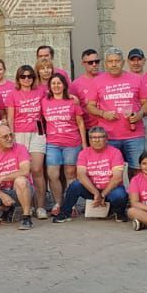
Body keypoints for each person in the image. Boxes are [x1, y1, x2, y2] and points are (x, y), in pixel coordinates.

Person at [52, 126, 129, 223]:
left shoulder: (115, 152)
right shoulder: (84, 153)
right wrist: (96, 193)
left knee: (120, 194)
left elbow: (117, 178)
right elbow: (81, 175)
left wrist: (103, 194)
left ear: (106, 139)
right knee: (75, 186)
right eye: (93, 137)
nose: (97, 140)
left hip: (110, 190)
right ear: (89, 140)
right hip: (92, 190)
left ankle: (119, 212)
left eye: (100, 137)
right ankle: (65, 213)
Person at [88, 49, 146, 171]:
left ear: (123, 62)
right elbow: (90, 106)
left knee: (137, 169)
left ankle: (134, 190)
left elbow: (146, 102)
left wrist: (140, 114)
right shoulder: (97, 81)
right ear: (105, 63)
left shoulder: (136, 79)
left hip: (134, 135)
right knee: (111, 170)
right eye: (110, 61)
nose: (114, 64)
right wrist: (103, 113)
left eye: (117, 61)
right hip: (109, 136)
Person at [41, 73, 85, 216]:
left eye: (59, 83)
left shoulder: (73, 101)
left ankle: (70, 205)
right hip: (53, 143)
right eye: (53, 83)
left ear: (64, 85)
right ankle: (58, 203)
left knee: (70, 174)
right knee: (52, 174)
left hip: (71, 142)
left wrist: (84, 144)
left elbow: (80, 123)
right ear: (49, 87)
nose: (56, 86)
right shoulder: (44, 102)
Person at [8, 65, 49, 218]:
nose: (27, 79)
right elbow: (11, 117)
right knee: (25, 172)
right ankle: (28, 205)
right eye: (23, 76)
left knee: (37, 169)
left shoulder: (40, 92)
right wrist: (10, 136)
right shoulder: (13, 94)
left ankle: (41, 206)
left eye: (30, 76)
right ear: (18, 78)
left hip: (37, 132)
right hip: (19, 133)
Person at [0, 125, 35, 229]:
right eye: (5, 136)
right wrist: (1, 195)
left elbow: (25, 171)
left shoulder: (20, 148)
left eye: (11, 135)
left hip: (20, 189)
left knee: (21, 180)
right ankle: (8, 209)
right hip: (1, 191)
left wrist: (2, 178)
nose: (10, 138)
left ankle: (26, 217)